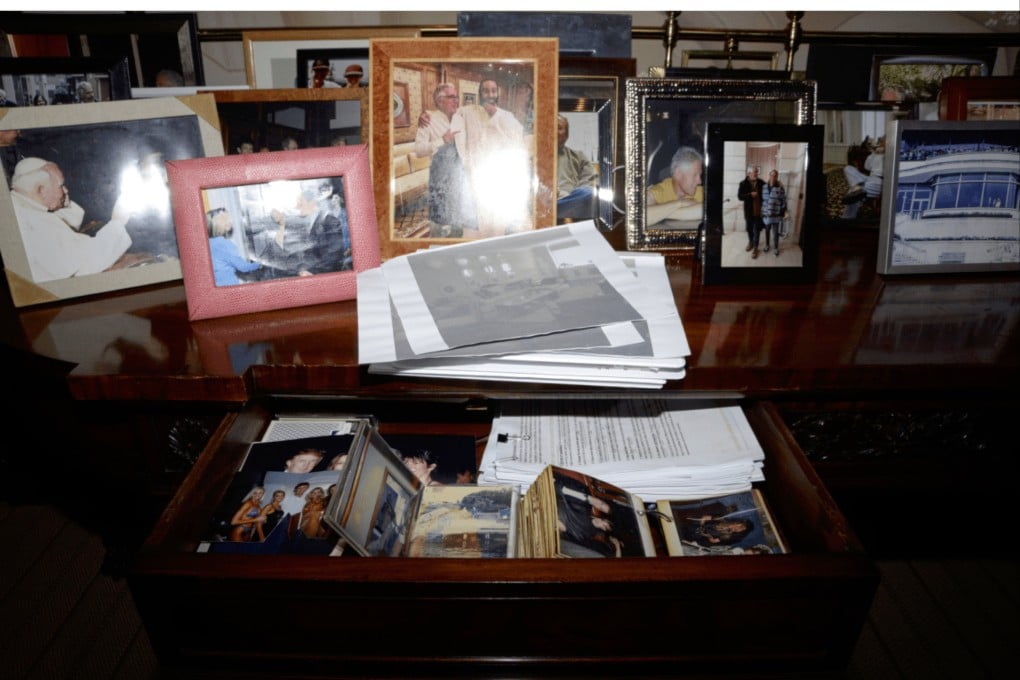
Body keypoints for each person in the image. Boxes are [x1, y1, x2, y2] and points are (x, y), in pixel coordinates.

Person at [9, 156, 134, 283]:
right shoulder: (36, 223)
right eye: (60, 186)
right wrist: (118, 221)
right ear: (41, 190)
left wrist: (60, 197)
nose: (66, 190)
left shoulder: (19, 205)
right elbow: (89, 260)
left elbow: (62, 221)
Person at [449, 77, 530, 237]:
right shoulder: (466, 112)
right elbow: (456, 132)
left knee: (497, 216)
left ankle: (495, 244)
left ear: (497, 93)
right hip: (475, 172)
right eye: (486, 90)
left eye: (493, 90)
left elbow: (516, 142)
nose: (490, 94)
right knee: (476, 216)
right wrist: (466, 162)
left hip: (498, 174)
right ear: (480, 93)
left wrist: (495, 118)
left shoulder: (507, 116)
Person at [414, 82, 475, 237]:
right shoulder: (428, 120)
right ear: (440, 101)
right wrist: (441, 140)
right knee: (439, 220)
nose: (456, 100)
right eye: (452, 97)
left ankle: (456, 241)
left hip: (459, 175)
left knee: (459, 215)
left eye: (456, 97)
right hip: (440, 177)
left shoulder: (460, 117)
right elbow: (419, 151)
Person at [269, 188, 351, 276]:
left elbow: (334, 255)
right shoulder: (309, 224)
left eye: (300, 202)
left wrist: (313, 272)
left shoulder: (329, 221)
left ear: (312, 202)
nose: (297, 206)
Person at [554, 473, 623, 558]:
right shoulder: (585, 505)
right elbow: (564, 486)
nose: (601, 524)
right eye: (604, 522)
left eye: (604, 527)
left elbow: (566, 533)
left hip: (557, 518)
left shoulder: (588, 533)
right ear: (603, 518)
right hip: (557, 496)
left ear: (603, 531)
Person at [645, 145, 704, 227]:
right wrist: (679, 203)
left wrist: (662, 213)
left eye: (699, 175)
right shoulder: (660, 190)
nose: (699, 181)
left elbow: (705, 210)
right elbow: (642, 216)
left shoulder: (701, 192)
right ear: (678, 173)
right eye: (695, 175)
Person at [555, 115, 598, 222]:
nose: (554, 130)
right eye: (551, 126)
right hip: (542, 202)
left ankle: (557, 210)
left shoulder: (578, 156)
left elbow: (591, 182)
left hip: (569, 201)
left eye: (559, 128)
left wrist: (568, 197)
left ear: (566, 135)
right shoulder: (532, 155)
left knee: (589, 192)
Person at [206, 207, 261, 286]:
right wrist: (259, 264)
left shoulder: (207, 244)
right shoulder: (224, 245)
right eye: (224, 219)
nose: (229, 221)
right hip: (228, 288)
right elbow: (243, 267)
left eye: (228, 218)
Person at [737, 164, 766, 258]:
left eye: (757, 171)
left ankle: (756, 248)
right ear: (749, 173)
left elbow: (769, 187)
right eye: (755, 171)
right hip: (749, 212)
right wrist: (750, 195)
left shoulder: (761, 182)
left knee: (757, 230)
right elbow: (740, 197)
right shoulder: (743, 183)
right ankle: (751, 242)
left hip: (759, 212)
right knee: (749, 229)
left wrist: (778, 184)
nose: (756, 173)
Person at [760, 169, 787, 258]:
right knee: (767, 230)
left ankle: (776, 248)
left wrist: (782, 211)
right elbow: (762, 200)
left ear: (777, 177)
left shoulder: (780, 187)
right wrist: (762, 211)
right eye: (771, 175)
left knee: (775, 233)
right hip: (766, 214)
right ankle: (767, 245)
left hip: (776, 214)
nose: (773, 177)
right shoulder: (763, 187)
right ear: (769, 175)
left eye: (775, 175)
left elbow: (783, 200)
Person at [841, 144, 869, 220]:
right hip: (864, 185)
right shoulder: (857, 168)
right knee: (852, 193)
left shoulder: (873, 159)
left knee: (847, 169)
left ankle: (847, 218)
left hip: (870, 184)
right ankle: (856, 189)